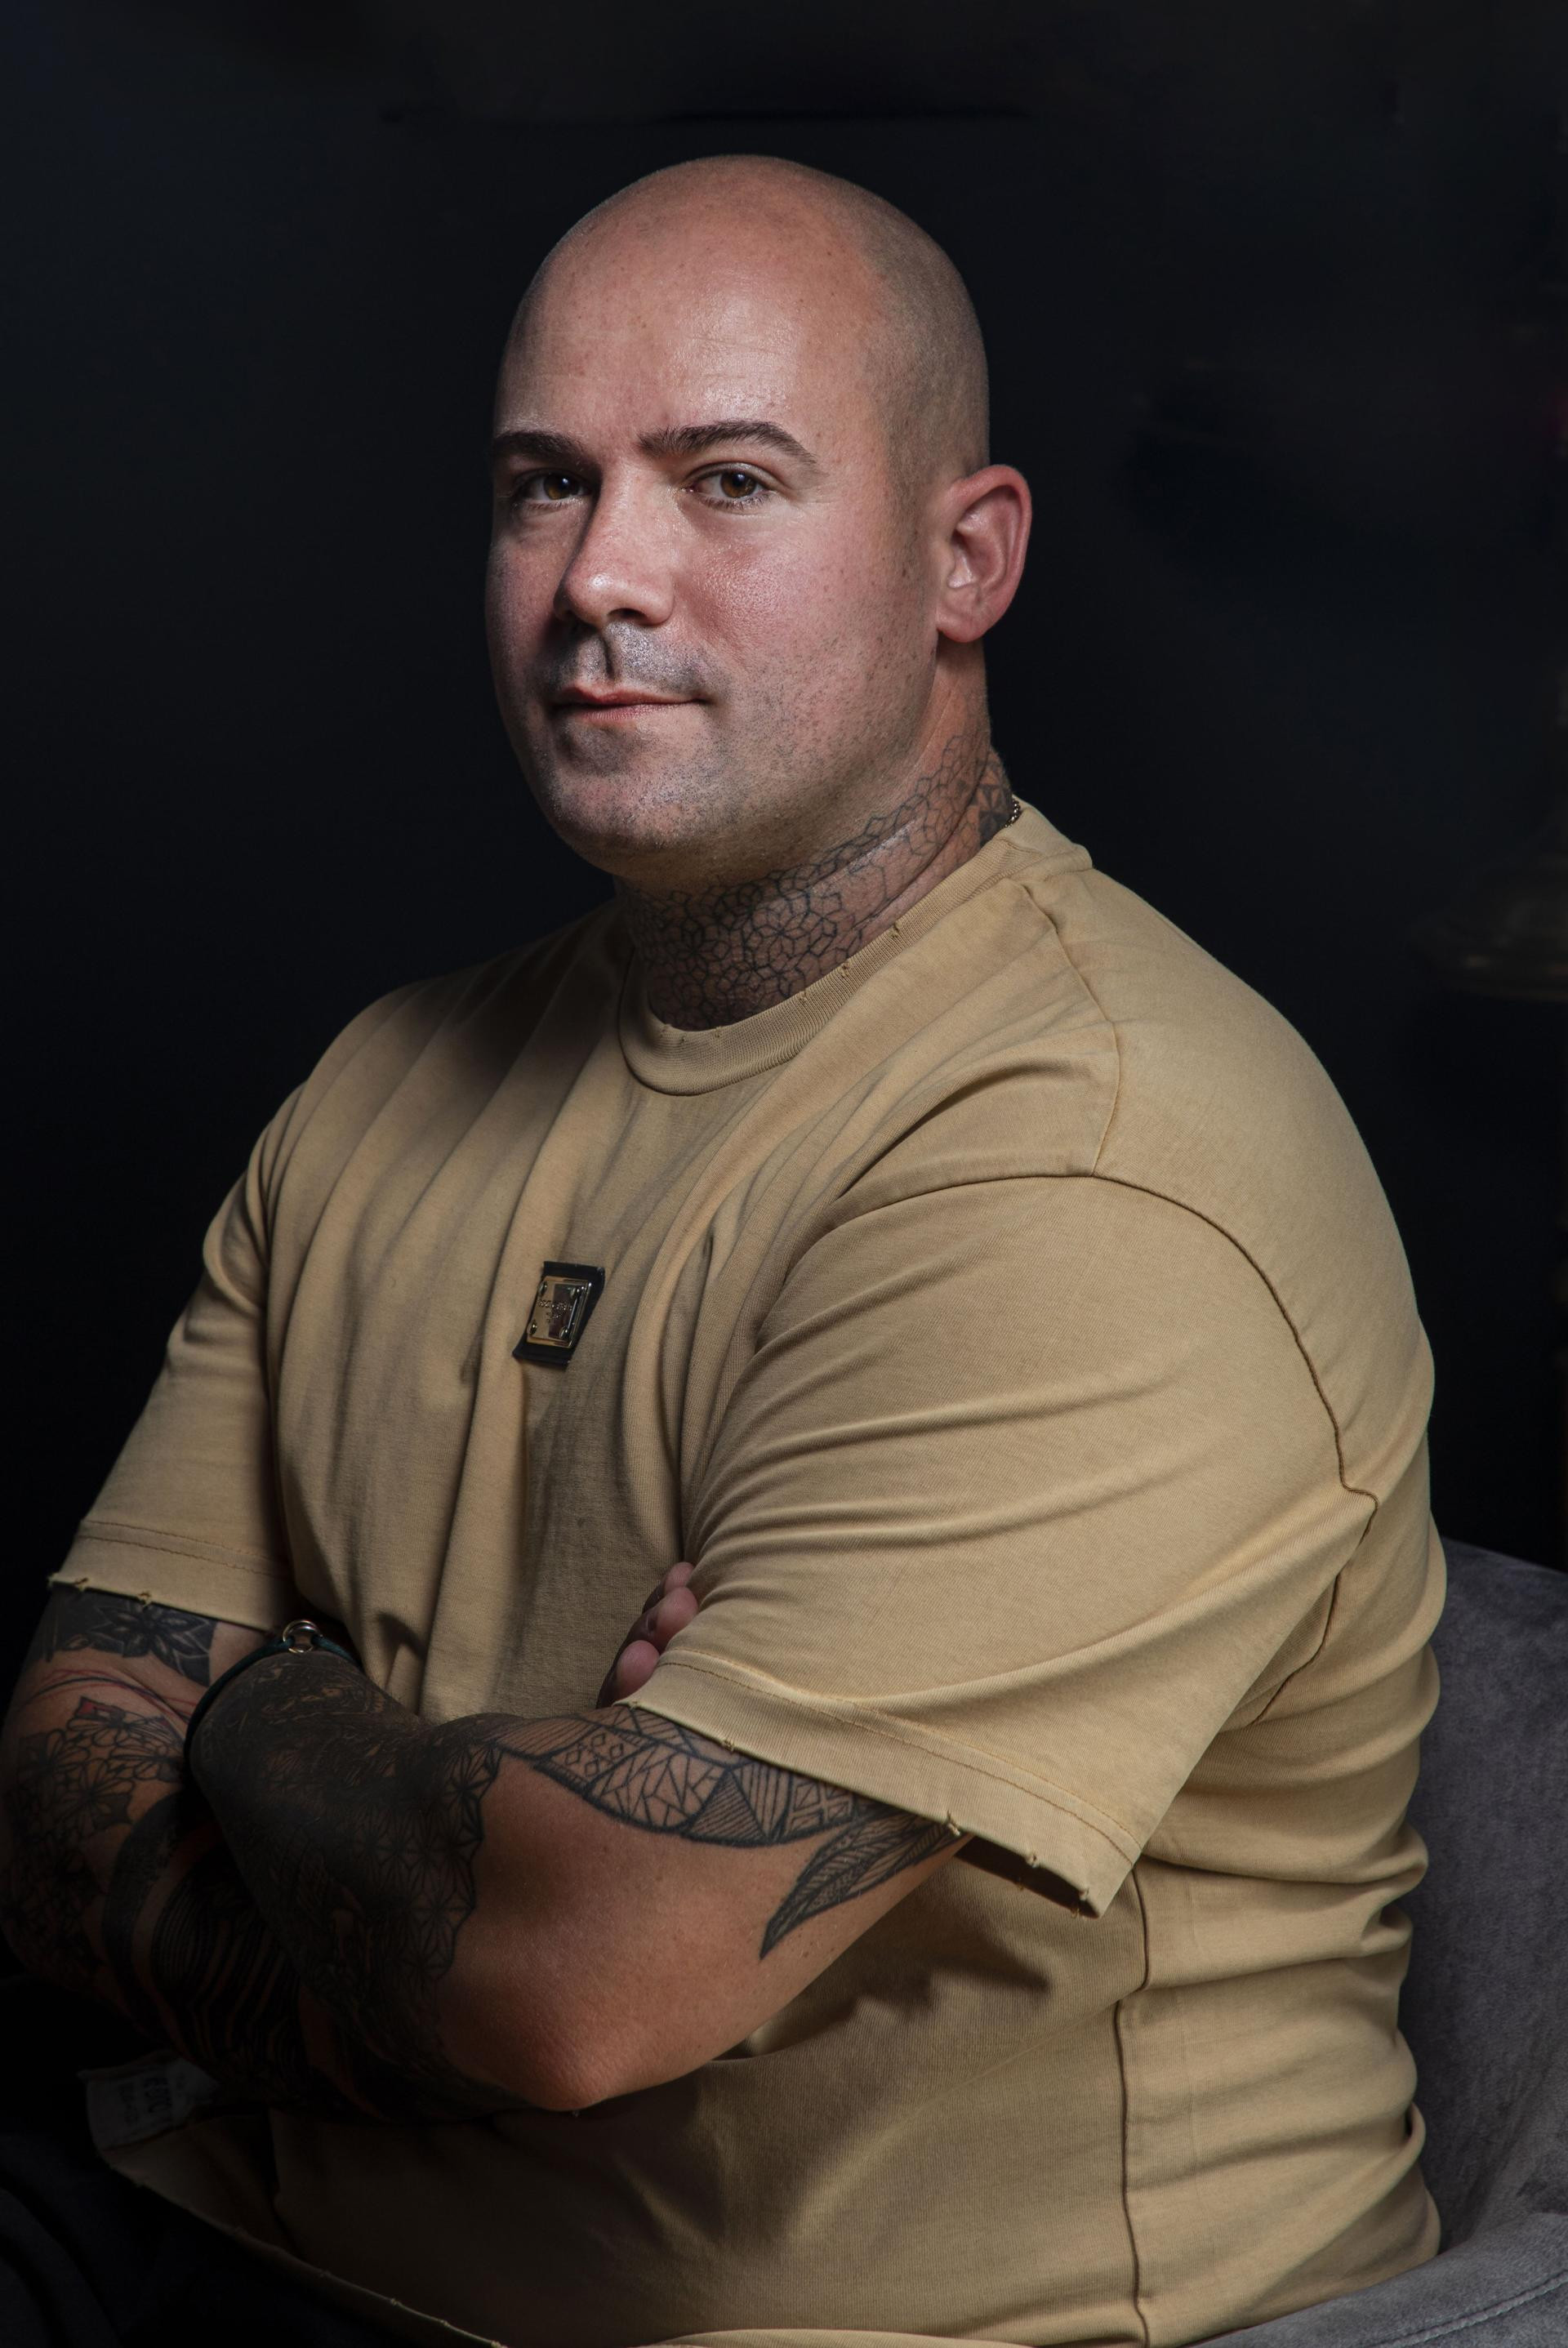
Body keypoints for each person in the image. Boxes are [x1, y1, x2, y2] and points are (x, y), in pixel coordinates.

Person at [0, 155, 1445, 2348]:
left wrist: (263, 1697)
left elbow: (573, 1984)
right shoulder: (384, 1080)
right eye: (543, 486)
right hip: (260, 2242)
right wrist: (471, 1841)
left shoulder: (1097, 1153)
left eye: (730, 481)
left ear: (967, 560)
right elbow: (48, 1799)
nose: (601, 575)